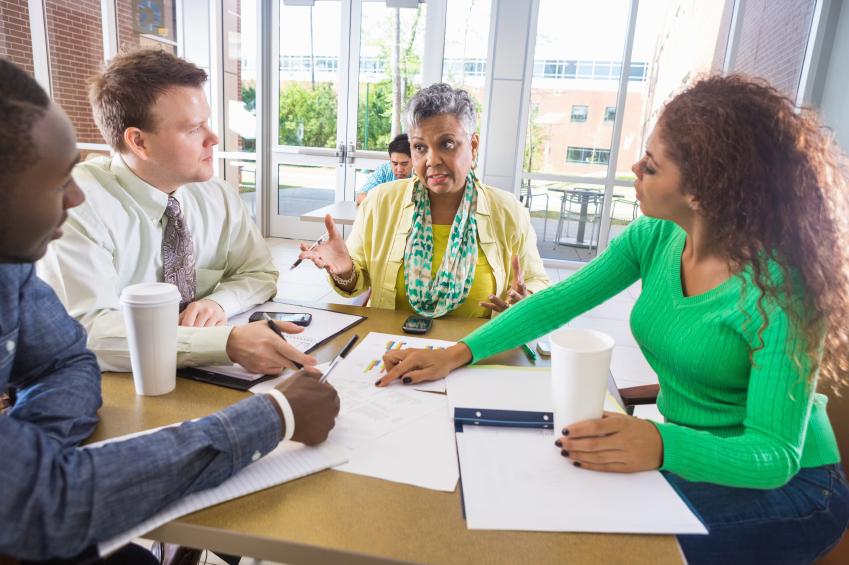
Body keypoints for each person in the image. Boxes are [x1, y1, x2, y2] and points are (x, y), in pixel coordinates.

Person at [376, 75, 849, 563]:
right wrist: (455, 354)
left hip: (794, 491)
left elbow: (774, 456)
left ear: (705, 189)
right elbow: (555, 303)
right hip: (693, 457)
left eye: (652, 164)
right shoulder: (657, 236)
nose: (634, 167)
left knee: (602, 550)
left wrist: (661, 443)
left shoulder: (782, 292)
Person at [0, 58, 340, 564]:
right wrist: (273, 411)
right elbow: (53, 499)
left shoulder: (12, 264)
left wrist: (35, 445)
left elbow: (65, 361)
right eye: (55, 182)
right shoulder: (83, 211)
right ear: (138, 141)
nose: (71, 197)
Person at [37, 49, 314, 376]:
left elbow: (260, 274)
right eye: (194, 128)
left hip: (208, 384)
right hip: (115, 388)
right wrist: (225, 344)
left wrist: (219, 303)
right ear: (139, 142)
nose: (213, 138)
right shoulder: (76, 205)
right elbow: (87, 331)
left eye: (207, 122)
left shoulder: (218, 195)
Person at [299, 83, 549, 318]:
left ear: (473, 146)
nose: (432, 160)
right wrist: (344, 269)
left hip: (475, 354)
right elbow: (357, 282)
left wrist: (528, 301)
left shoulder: (507, 211)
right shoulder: (381, 202)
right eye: (420, 148)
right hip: (391, 349)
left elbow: (537, 281)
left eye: (447, 144)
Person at [355, 133, 413, 204]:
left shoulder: (421, 174)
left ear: (414, 160)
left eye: (404, 164)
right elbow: (361, 196)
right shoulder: (384, 170)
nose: (399, 169)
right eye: (395, 164)